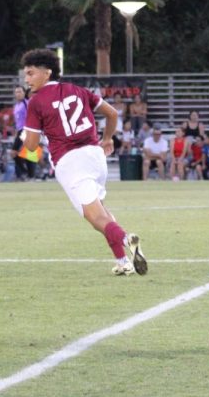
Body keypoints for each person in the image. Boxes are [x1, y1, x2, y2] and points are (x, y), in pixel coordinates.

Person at [19, 48, 147, 276]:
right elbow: (112, 114)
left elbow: (30, 146)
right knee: (102, 213)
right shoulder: (78, 90)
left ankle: (128, 239)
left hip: (70, 161)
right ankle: (122, 261)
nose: (26, 80)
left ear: (47, 73)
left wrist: (24, 134)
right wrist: (107, 138)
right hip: (95, 156)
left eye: (30, 73)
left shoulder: (37, 101)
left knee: (94, 217)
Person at [11, 85, 36, 181]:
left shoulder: (27, 103)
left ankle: (29, 174)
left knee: (19, 153)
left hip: (27, 130)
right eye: (16, 92)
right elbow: (18, 121)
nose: (18, 94)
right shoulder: (16, 106)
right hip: (20, 131)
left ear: (24, 93)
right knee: (24, 154)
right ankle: (30, 175)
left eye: (20, 92)